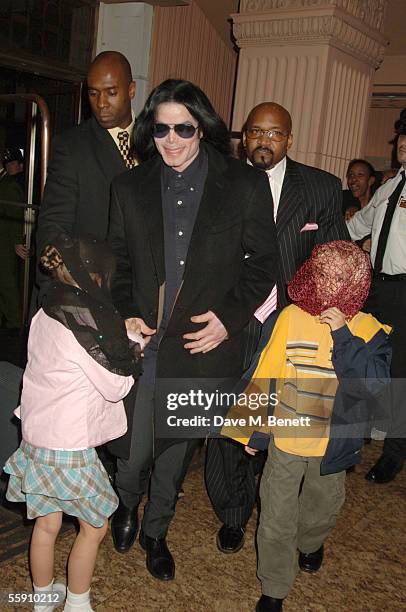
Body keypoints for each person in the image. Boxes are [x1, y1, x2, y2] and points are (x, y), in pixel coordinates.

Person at [107, 79, 278, 581]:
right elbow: (115, 263)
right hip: (145, 345)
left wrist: (229, 320)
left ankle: (156, 531)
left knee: (176, 453)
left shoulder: (243, 184)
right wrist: (124, 311)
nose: (173, 139)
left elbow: (263, 264)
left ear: (202, 127)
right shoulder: (128, 187)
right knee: (134, 451)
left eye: (184, 127)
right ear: (150, 130)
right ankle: (126, 504)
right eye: (161, 128)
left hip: (203, 347)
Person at [206, 101, 350, 555]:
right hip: (233, 323)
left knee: (300, 432)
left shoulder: (322, 189)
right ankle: (233, 512)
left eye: (274, 133)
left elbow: (335, 260)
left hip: (297, 329)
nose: (263, 140)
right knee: (231, 421)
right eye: (255, 131)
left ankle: (305, 530)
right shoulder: (217, 181)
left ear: (289, 139)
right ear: (242, 136)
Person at [221, 240, 391, 611]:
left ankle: (311, 543)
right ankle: (274, 587)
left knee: (320, 512)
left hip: (333, 447)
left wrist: (343, 336)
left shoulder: (370, 330)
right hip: (286, 440)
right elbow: (265, 372)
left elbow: (374, 386)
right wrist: (250, 428)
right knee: (276, 517)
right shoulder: (291, 317)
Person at [3, 234, 139, 612]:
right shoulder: (82, 329)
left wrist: (119, 333)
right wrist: (132, 345)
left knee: (46, 525)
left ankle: (43, 600)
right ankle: (78, 603)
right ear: (91, 275)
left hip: (36, 437)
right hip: (67, 447)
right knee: (95, 527)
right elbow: (116, 385)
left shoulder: (47, 311)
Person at [36, 51, 136, 290]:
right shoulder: (72, 146)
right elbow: (54, 225)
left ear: (131, 90)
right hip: (91, 290)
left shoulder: (157, 142)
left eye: (111, 92)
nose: (101, 103)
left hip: (140, 294)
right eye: (93, 93)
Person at [347, 110, 406, 483]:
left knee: (400, 373)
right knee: (363, 361)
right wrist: (316, 225)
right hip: (376, 287)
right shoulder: (387, 188)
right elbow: (357, 225)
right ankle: (352, 439)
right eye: (402, 137)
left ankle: (394, 453)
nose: (403, 143)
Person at [0, 149, 26, 330]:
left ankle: (14, 321)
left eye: (13, 163)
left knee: (7, 281)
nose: (10, 166)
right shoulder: (7, 182)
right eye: (7, 163)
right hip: (5, 237)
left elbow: (16, 213)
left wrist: (17, 241)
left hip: (7, 240)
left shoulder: (11, 185)